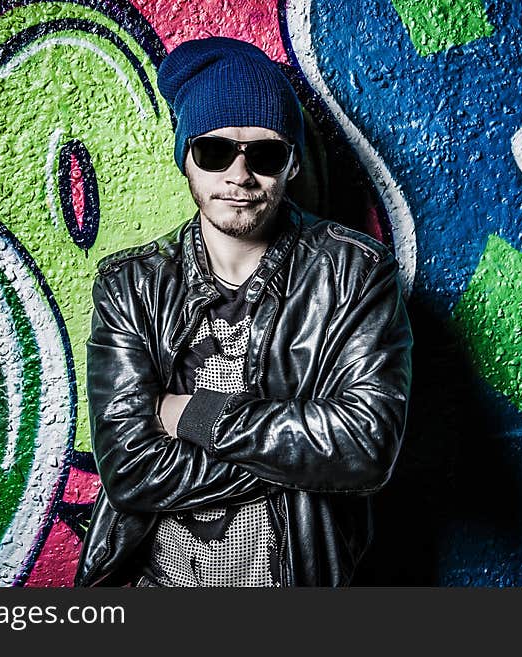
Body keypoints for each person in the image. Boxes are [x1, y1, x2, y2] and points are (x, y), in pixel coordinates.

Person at [75, 36, 412, 587]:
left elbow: (365, 449)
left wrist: (189, 416)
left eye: (265, 154)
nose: (239, 175)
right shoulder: (130, 285)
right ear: (185, 156)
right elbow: (129, 471)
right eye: (214, 152)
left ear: (292, 164)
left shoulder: (353, 274)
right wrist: (299, 456)